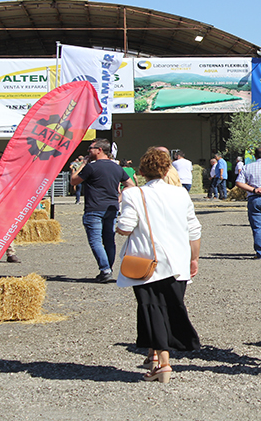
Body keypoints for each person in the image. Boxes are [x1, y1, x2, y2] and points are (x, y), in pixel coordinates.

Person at [116, 148, 202, 383]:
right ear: (166, 170)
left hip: (147, 262)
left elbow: (125, 227)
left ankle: (163, 363)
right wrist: (194, 258)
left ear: (141, 171)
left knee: (152, 309)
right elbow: (194, 229)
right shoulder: (181, 194)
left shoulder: (134, 194)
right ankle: (154, 356)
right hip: (178, 261)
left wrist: (118, 224)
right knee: (171, 307)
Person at [71, 138, 135, 283]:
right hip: (111, 208)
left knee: (95, 240)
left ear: (99, 150)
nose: (88, 152)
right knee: (109, 240)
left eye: (90, 149)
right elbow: (130, 184)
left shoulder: (91, 167)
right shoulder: (117, 167)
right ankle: (108, 269)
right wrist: (119, 198)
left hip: (94, 208)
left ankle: (105, 269)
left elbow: (74, 181)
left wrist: (83, 164)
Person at [235, 147, 261, 259]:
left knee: (258, 226)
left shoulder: (247, 167)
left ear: (255, 156)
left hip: (254, 198)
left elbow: (239, 182)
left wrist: (254, 190)